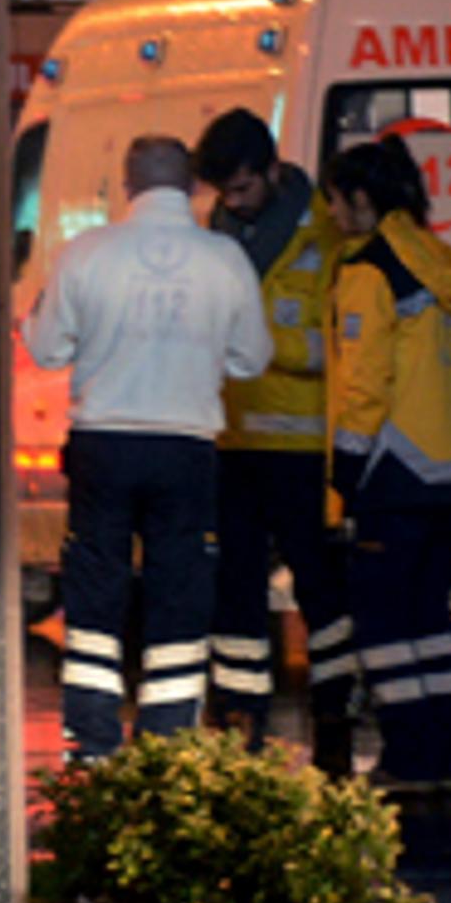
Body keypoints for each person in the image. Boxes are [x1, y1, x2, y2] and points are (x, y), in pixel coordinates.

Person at [22, 135, 269, 760]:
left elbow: (47, 349)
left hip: (104, 441)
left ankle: (95, 734)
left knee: (97, 584)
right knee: (180, 588)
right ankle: (167, 735)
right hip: (187, 445)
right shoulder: (225, 259)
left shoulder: (85, 254)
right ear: (190, 188)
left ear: (127, 188)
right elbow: (252, 358)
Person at [324, 136, 451, 898]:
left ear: (362, 200)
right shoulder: (435, 259)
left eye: (337, 198)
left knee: (386, 627)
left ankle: (403, 755)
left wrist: (342, 473)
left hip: (395, 473)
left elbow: (364, 383)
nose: (331, 213)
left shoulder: (368, 272)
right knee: (427, 620)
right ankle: (438, 752)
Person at [192, 108, 347, 761]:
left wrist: (257, 344)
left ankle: (336, 708)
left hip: (302, 449)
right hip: (232, 444)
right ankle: (238, 713)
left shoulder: (324, 235)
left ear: (272, 171)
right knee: (235, 590)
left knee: (319, 586)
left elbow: (339, 341)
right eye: (222, 192)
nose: (231, 203)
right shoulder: (215, 234)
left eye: (242, 189)